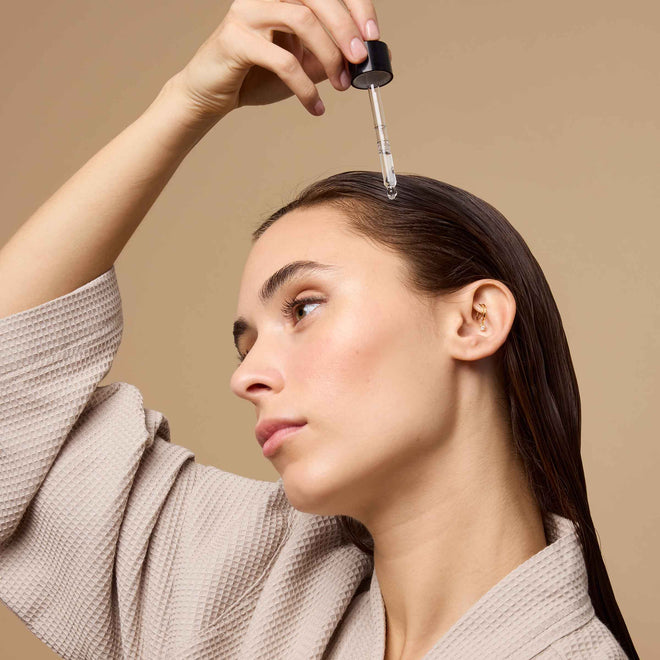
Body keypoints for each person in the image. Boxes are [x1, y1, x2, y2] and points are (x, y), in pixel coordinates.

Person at [0, 1, 637, 659]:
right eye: (245, 343)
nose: (245, 377)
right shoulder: (249, 588)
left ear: (475, 320)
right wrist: (188, 101)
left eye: (302, 309)